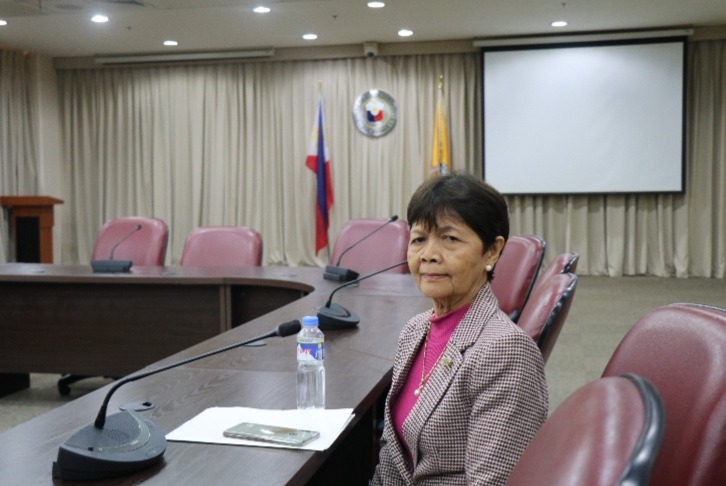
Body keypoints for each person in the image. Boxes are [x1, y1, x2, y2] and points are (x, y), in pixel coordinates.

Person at [371, 172, 548, 485]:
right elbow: (392, 457)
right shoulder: (415, 330)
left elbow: (493, 481)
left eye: (449, 239)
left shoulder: (504, 350)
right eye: (419, 239)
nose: (428, 254)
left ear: (491, 251)